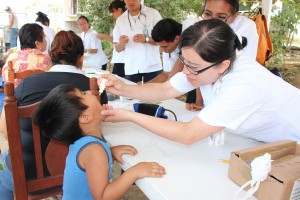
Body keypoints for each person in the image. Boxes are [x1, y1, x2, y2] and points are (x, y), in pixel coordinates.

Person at [99, 19, 300, 145]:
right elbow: (166, 88)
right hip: (267, 139)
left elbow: (189, 134)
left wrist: (129, 115)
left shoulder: (245, 84)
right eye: (184, 61)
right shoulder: (207, 64)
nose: (185, 71)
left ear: (223, 65)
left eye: (193, 66)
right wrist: (123, 87)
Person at [0, 30, 107, 199]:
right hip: (80, 171)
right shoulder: (91, 88)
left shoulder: (27, 84)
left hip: (28, 174)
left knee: (4, 162)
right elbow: (101, 126)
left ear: (51, 56)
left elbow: (5, 129)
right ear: (81, 58)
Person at [33, 84, 165, 199]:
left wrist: (109, 152)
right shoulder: (94, 151)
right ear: (85, 117)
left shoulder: (84, 143)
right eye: (84, 94)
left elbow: (88, 164)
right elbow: (103, 196)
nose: (90, 92)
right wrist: (134, 172)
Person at [151, 18, 203, 111]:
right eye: (160, 46)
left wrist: (199, 100)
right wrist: (145, 86)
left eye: (164, 46)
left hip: (205, 78)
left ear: (177, 39)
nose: (162, 50)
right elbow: (165, 74)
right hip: (194, 82)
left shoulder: (192, 28)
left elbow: (197, 70)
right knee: (191, 108)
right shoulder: (167, 47)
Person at [113, 0, 163, 83]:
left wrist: (146, 39)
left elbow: (163, 39)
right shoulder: (120, 20)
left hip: (152, 67)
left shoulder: (153, 13)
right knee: (133, 96)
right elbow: (117, 49)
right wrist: (121, 43)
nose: (131, 1)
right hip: (132, 68)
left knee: (153, 95)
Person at [1, 23, 51, 87]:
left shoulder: (11, 57)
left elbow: (5, 79)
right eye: (44, 38)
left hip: (13, 95)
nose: (46, 41)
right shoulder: (45, 59)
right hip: (36, 96)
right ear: (37, 43)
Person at [97, 0, 127, 78]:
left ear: (120, 10)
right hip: (121, 58)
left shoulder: (124, 21)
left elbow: (117, 41)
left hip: (122, 59)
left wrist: (104, 36)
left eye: (113, 12)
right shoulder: (122, 21)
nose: (112, 15)